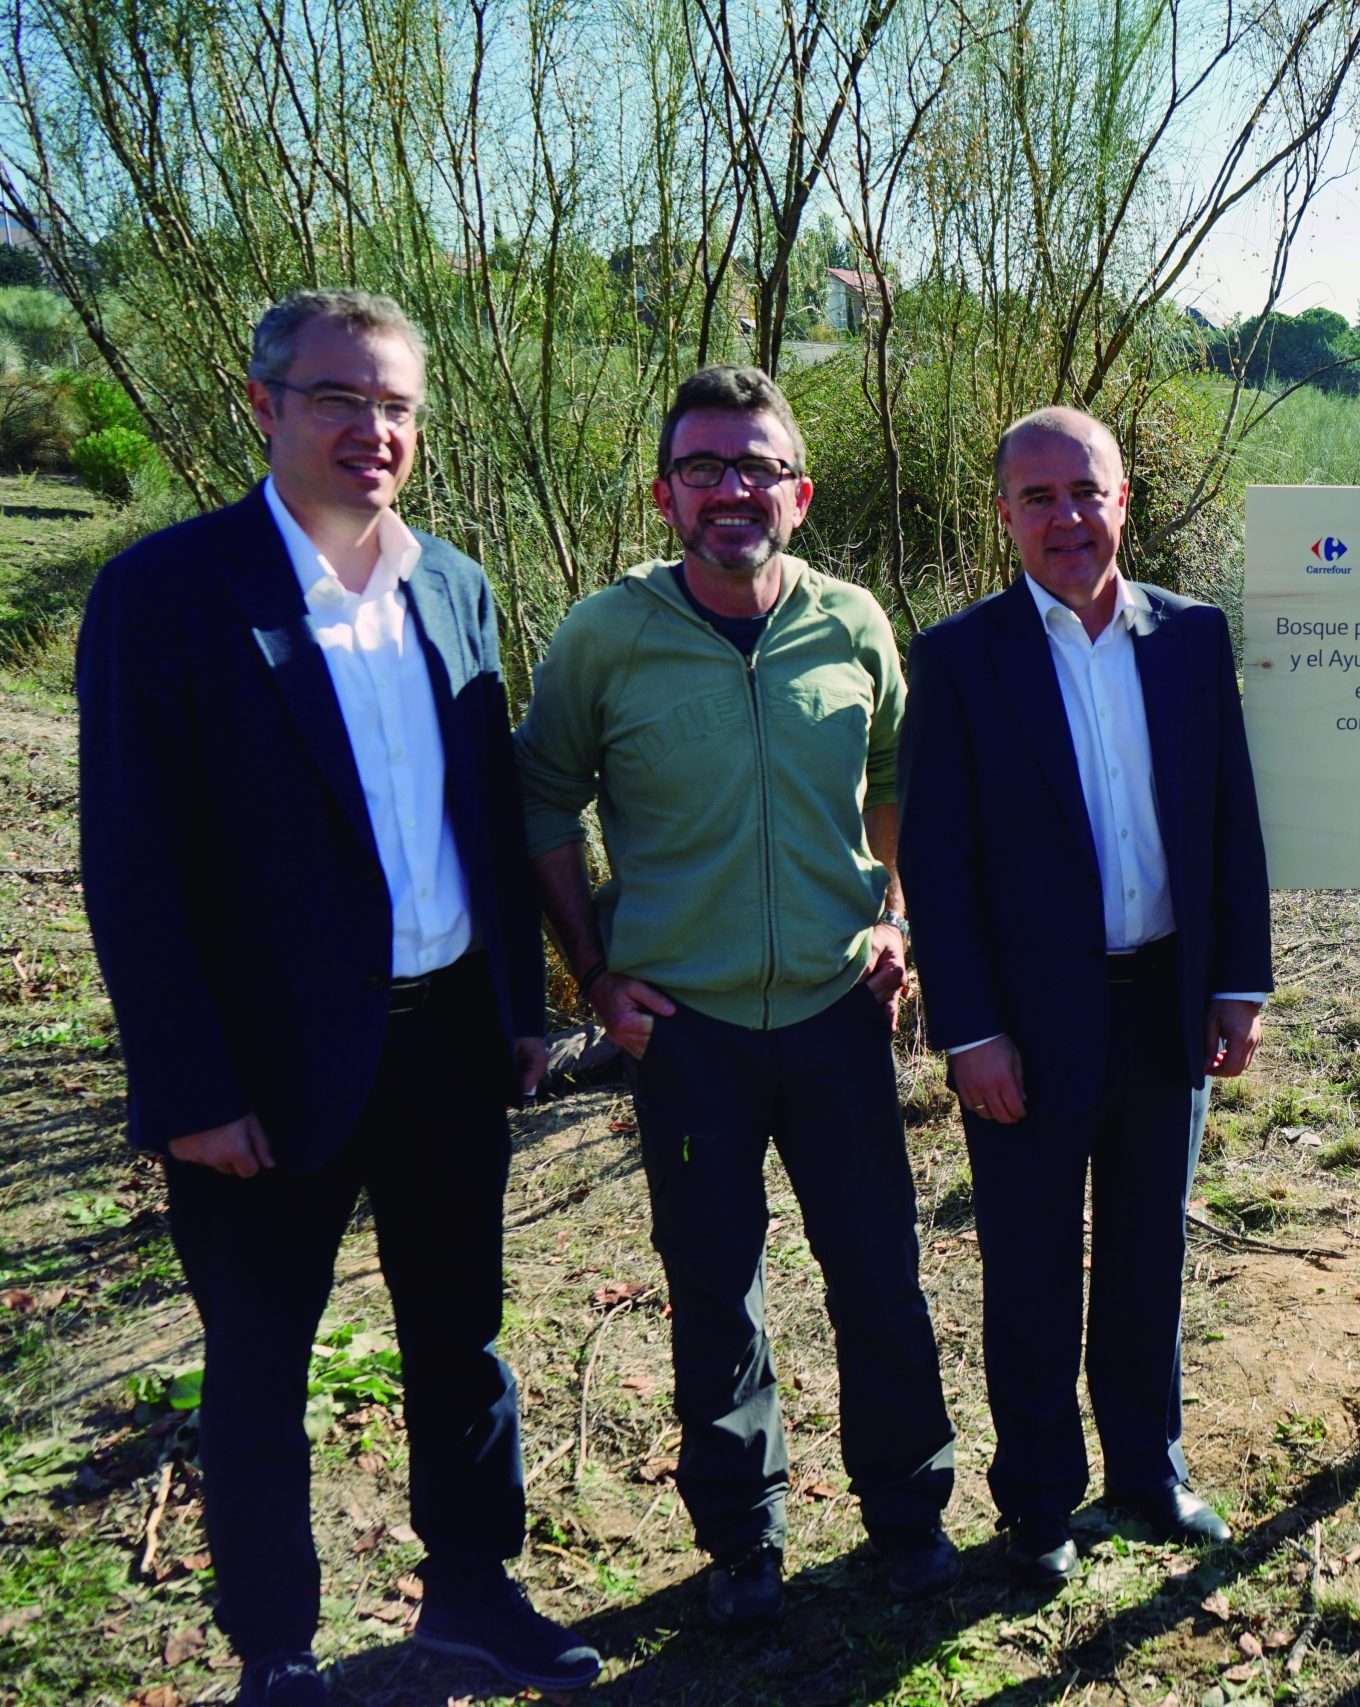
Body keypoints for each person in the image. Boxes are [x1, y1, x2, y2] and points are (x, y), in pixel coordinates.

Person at [76, 290, 597, 1703]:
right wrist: (191, 1089)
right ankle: (279, 1650)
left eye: (396, 405)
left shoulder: (455, 586)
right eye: (339, 398)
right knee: (260, 1362)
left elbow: (487, 814)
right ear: (264, 405)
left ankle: (474, 1594)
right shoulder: (168, 593)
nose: (373, 428)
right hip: (264, 1066)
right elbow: (132, 866)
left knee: (460, 1338)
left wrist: (523, 1007)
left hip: (447, 1042)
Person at [512, 366, 958, 1620]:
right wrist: (593, 973)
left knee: (878, 1274)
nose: (731, 490)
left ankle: (908, 1512)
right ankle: (743, 1539)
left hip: (836, 1014)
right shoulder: (604, 636)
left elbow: (896, 774)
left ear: (798, 495)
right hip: (685, 1031)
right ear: (664, 496)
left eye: (757, 467)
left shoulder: (851, 622)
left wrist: (895, 915)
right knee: (714, 1288)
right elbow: (540, 802)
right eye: (703, 467)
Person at [898, 407, 1273, 1586]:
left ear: (1124, 502)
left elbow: (1230, 817)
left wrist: (1236, 983)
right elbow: (938, 862)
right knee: (1030, 1267)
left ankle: (1148, 1472)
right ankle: (1039, 1501)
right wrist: (969, 1032)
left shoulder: (1192, 638)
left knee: (1148, 1250)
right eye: (1038, 497)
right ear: (1004, 514)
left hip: (1166, 1000)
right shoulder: (960, 659)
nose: (1066, 517)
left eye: (1085, 492)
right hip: (1026, 1021)